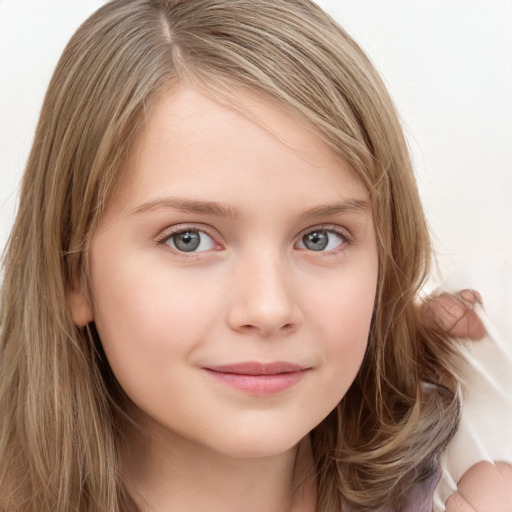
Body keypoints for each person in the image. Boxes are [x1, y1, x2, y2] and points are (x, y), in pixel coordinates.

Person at [0, 1, 508, 511]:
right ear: (72, 273)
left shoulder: (470, 458)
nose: (268, 309)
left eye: (320, 238)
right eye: (189, 239)